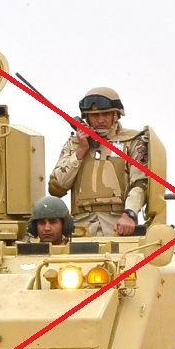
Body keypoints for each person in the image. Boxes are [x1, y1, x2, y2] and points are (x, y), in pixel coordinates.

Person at [49, 87, 150, 237]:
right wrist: (80, 151)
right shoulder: (74, 144)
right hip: (80, 227)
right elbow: (56, 187)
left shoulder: (132, 141)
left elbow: (141, 183)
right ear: (86, 117)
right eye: (95, 115)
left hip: (119, 224)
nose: (100, 120)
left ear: (116, 115)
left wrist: (130, 214)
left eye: (106, 114)